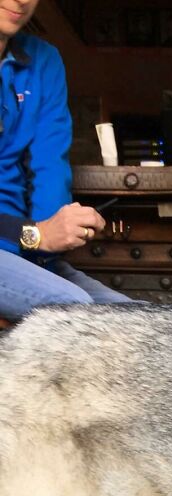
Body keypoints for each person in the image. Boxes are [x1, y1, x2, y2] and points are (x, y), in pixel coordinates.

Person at [0, 0, 129, 320]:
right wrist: (35, 234)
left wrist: (53, 235)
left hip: (23, 249)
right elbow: (37, 234)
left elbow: (50, 167)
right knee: (70, 308)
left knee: (139, 321)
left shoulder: (43, 61)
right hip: (19, 238)